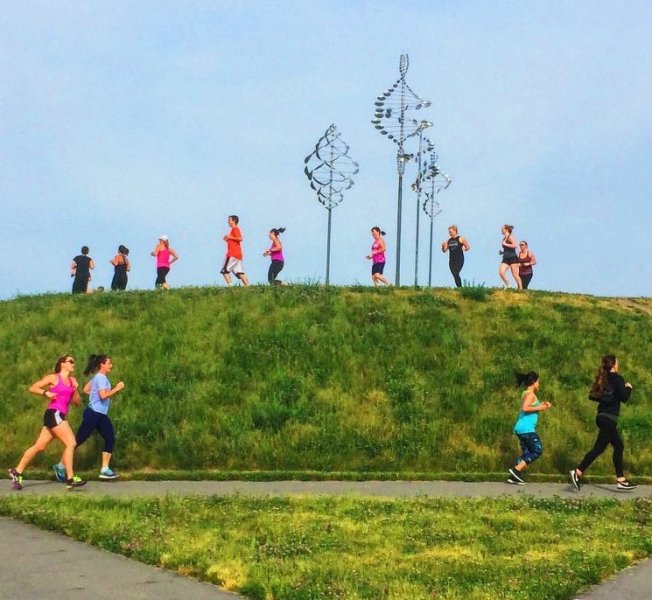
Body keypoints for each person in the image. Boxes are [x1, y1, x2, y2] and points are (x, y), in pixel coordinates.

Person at [8, 355, 86, 490]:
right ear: (62, 364)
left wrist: (75, 388)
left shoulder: (72, 380)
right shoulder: (53, 378)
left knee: (39, 446)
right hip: (54, 413)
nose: (73, 364)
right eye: (71, 361)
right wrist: (46, 393)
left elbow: (77, 402)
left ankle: (17, 471)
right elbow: (33, 388)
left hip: (59, 415)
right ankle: (70, 478)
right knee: (71, 443)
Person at [53, 354, 125, 483]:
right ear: (102, 365)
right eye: (109, 363)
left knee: (110, 437)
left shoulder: (98, 377)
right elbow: (103, 396)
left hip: (100, 414)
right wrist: (116, 389)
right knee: (77, 440)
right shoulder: (101, 378)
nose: (111, 365)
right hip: (93, 414)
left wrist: (94, 394)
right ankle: (60, 466)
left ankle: (105, 470)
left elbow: (86, 389)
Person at [570, 355, 637, 492]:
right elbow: (624, 398)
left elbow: (592, 396)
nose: (618, 364)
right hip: (609, 419)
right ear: (614, 365)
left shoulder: (603, 378)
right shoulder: (618, 379)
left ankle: (620, 479)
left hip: (601, 417)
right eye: (617, 362)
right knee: (599, 449)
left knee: (618, 446)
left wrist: (606, 398)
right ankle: (578, 472)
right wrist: (629, 387)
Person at [507, 371, 552, 485]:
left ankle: (514, 476)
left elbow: (530, 406)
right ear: (533, 382)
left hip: (521, 428)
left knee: (527, 453)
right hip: (526, 429)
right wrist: (541, 407)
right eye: (538, 382)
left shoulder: (526, 393)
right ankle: (516, 470)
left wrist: (541, 405)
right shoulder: (531, 395)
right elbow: (525, 408)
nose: (539, 384)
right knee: (537, 451)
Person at [221, 215, 250, 286]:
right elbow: (234, 241)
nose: (228, 222)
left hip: (232, 254)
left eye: (229, 220)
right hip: (238, 255)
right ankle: (248, 286)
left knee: (224, 270)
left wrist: (229, 237)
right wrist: (227, 239)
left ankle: (230, 286)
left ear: (234, 221)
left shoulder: (235, 229)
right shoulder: (233, 230)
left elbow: (240, 238)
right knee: (239, 272)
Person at [498, 225, 522, 289]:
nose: (501, 230)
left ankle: (521, 289)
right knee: (501, 272)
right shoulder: (504, 238)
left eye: (502, 229)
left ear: (506, 230)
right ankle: (509, 285)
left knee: (515, 274)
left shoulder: (510, 237)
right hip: (505, 258)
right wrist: (502, 252)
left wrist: (505, 244)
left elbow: (515, 245)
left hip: (513, 258)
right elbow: (508, 249)